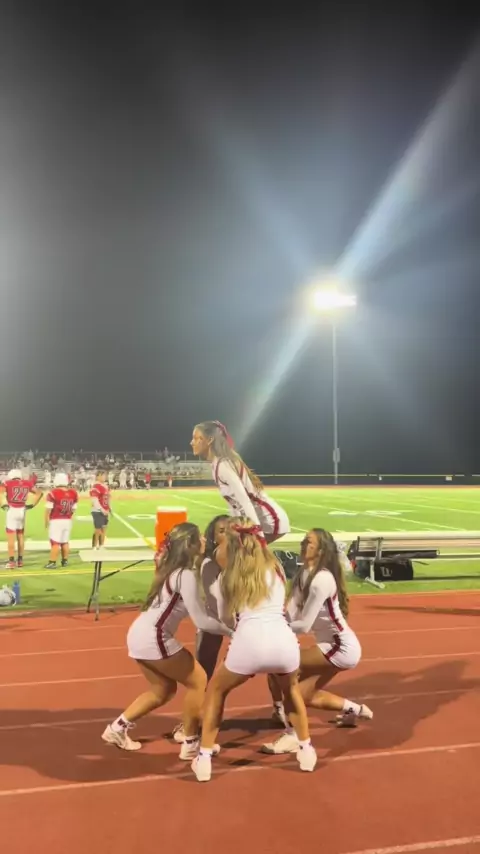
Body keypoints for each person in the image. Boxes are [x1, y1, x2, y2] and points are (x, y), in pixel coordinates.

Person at [191, 517, 316, 783]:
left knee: (217, 691)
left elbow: (225, 617)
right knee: (291, 691)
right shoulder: (276, 566)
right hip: (283, 640)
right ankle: (306, 750)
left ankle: (203, 758)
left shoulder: (227, 575)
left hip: (249, 641)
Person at [102, 522, 232, 759]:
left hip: (138, 634)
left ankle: (116, 729)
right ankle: (190, 743)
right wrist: (232, 631)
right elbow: (201, 621)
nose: (205, 540)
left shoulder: (169, 568)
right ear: (191, 544)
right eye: (200, 537)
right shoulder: (185, 575)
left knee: (162, 690)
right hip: (154, 637)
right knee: (198, 680)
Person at [262, 528, 372, 756]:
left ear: (321, 551)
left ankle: (292, 734)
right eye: (304, 540)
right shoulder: (304, 573)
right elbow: (290, 614)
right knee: (304, 695)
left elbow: (303, 625)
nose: (303, 544)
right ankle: (355, 710)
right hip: (332, 646)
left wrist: (272, 627)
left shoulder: (322, 579)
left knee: (285, 670)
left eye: (309, 542)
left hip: (340, 647)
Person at [170, 514, 230, 744]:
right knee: (202, 675)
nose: (227, 535)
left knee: (277, 668)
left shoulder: (246, 559)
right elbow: (217, 600)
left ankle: (281, 710)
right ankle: (190, 724)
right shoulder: (208, 564)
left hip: (242, 623)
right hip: (216, 622)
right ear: (213, 537)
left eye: (231, 530)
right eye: (222, 531)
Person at [191, 420, 290, 544]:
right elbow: (234, 504)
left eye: (196, 438)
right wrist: (236, 527)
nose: (192, 442)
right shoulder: (217, 464)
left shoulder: (223, 465)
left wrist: (258, 535)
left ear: (209, 440)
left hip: (270, 521)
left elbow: (245, 501)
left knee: (246, 554)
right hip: (259, 520)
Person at [0, 469, 43, 568]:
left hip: (12, 509)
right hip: (22, 510)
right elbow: (39, 493)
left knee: (11, 537)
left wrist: (2, 505)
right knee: (20, 536)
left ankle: (11, 561)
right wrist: (32, 505)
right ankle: (20, 560)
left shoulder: (8, 483)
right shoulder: (27, 483)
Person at [44, 473, 79, 568]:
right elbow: (74, 508)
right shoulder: (73, 493)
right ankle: (65, 561)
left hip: (56, 520)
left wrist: (46, 521)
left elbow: (48, 509)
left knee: (55, 542)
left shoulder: (53, 493)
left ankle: (52, 562)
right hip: (67, 520)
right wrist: (68, 515)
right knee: (65, 541)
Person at [90, 468, 110, 548]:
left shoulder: (105, 486)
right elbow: (94, 500)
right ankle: (94, 546)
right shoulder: (96, 486)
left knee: (104, 529)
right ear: (98, 476)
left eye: (105, 475)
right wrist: (102, 510)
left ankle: (101, 545)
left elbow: (107, 498)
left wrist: (109, 508)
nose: (104, 477)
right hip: (97, 511)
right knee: (98, 530)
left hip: (105, 510)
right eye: (103, 475)